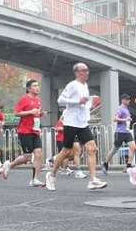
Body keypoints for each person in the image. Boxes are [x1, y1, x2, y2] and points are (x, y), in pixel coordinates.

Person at [45, 63, 107, 191]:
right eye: (84, 70)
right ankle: (51, 175)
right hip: (71, 123)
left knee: (92, 148)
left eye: (87, 70)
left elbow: (84, 102)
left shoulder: (85, 85)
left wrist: (89, 104)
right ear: (77, 72)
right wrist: (77, 101)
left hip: (83, 123)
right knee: (66, 151)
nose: (87, 72)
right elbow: (60, 100)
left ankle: (93, 180)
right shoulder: (72, 85)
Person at [1, 79, 46, 186]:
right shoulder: (24, 99)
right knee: (27, 157)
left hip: (35, 131)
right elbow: (16, 113)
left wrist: (40, 114)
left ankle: (34, 179)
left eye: (38, 85)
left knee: (39, 154)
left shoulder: (38, 100)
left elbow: (35, 114)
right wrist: (31, 112)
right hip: (24, 131)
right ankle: (10, 165)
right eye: (35, 86)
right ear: (29, 88)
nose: (37, 87)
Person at [102, 94, 135, 175]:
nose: (128, 101)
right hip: (119, 132)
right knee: (114, 150)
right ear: (123, 100)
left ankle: (128, 166)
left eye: (129, 99)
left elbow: (126, 119)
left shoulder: (126, 109)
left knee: (133, 147)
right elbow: (114, 119)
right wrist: (125, 119)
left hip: (127, 132)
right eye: (127, 99)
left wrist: (129, 119)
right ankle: (105, 163)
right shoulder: (120, 109)